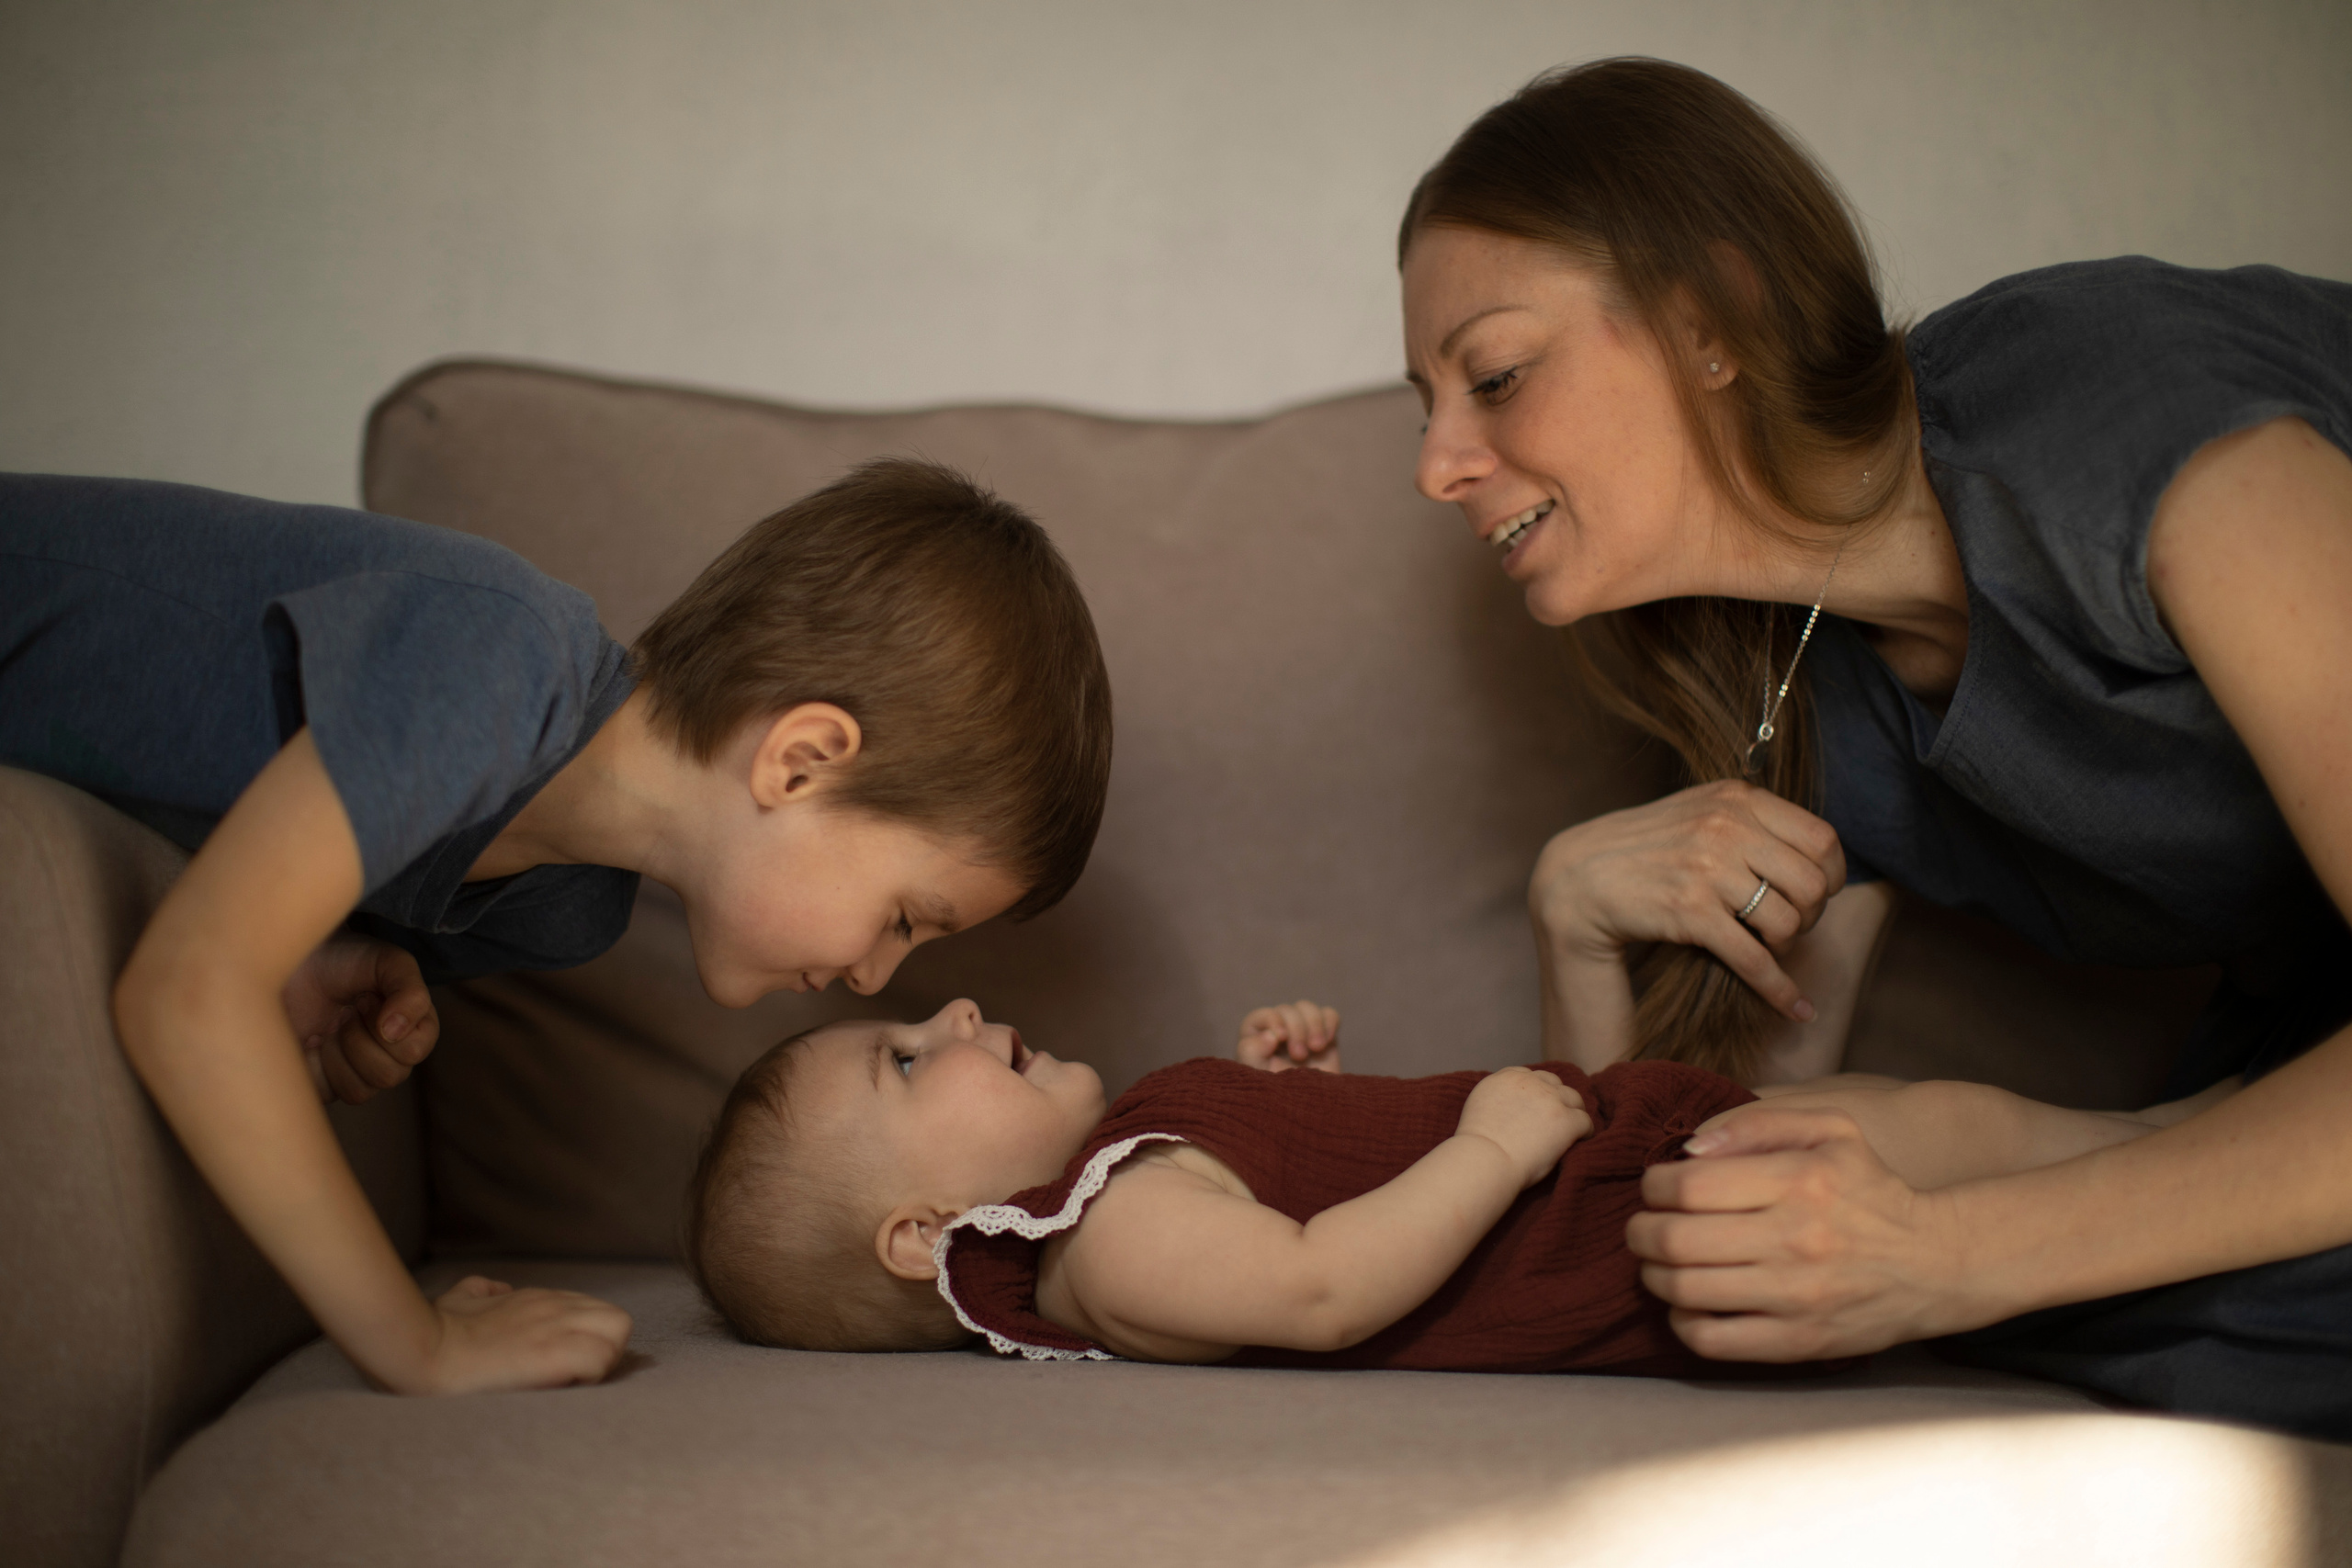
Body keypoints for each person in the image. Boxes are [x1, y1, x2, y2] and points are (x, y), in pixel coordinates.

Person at [1396, 57, 2352, 1435]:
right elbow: (1701, 1208)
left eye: (1494, 373)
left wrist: (1954, 1254)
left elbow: (1916, 1251)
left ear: (1714, 321)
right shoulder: (1786, 676)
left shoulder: (2127, 421)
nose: (1436, 463)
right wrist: (1572, 923)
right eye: (1425, 402)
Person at [0, 457, 1112, 1394]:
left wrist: (323, 943)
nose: (876, 978)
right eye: (906, 918)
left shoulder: (562, 909)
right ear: (800, 761)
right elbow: (188, 992)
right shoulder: (493, 661)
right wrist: (414, 1339)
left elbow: (238, 897)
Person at [682, 997, 2203, 1368]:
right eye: (902, 1059)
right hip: (1620, 1216)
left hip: (1618, 1151)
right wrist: (1490, 1144)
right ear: (920, 1234)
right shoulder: (1108, 1245)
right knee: (1946, 1131)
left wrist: (1274, 1097)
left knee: (1927, 1111)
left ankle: (2192, 1136)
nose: (952, 1012)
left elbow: (1281, 1206)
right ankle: (2203, 1155)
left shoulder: (1121, 1177)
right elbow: (1319, 1284)